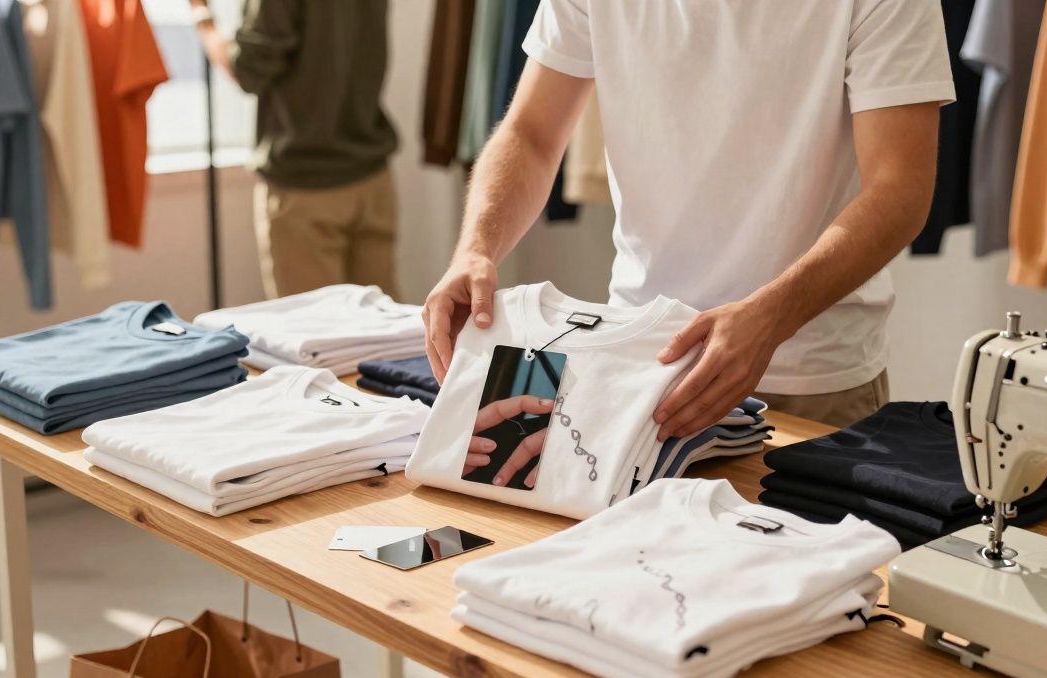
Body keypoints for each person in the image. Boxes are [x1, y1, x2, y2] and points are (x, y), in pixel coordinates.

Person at [423, 0, 955, 435]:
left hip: (809, 376)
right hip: (639, 355)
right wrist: (476, 248)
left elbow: (900, 189)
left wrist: (770, 318)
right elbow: (532, 134)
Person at [190, 0, 399, 299]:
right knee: (387, 334)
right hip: (372, 176)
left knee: (313, 333)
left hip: (306, 186)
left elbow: (247, 69)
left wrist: (203, 18)